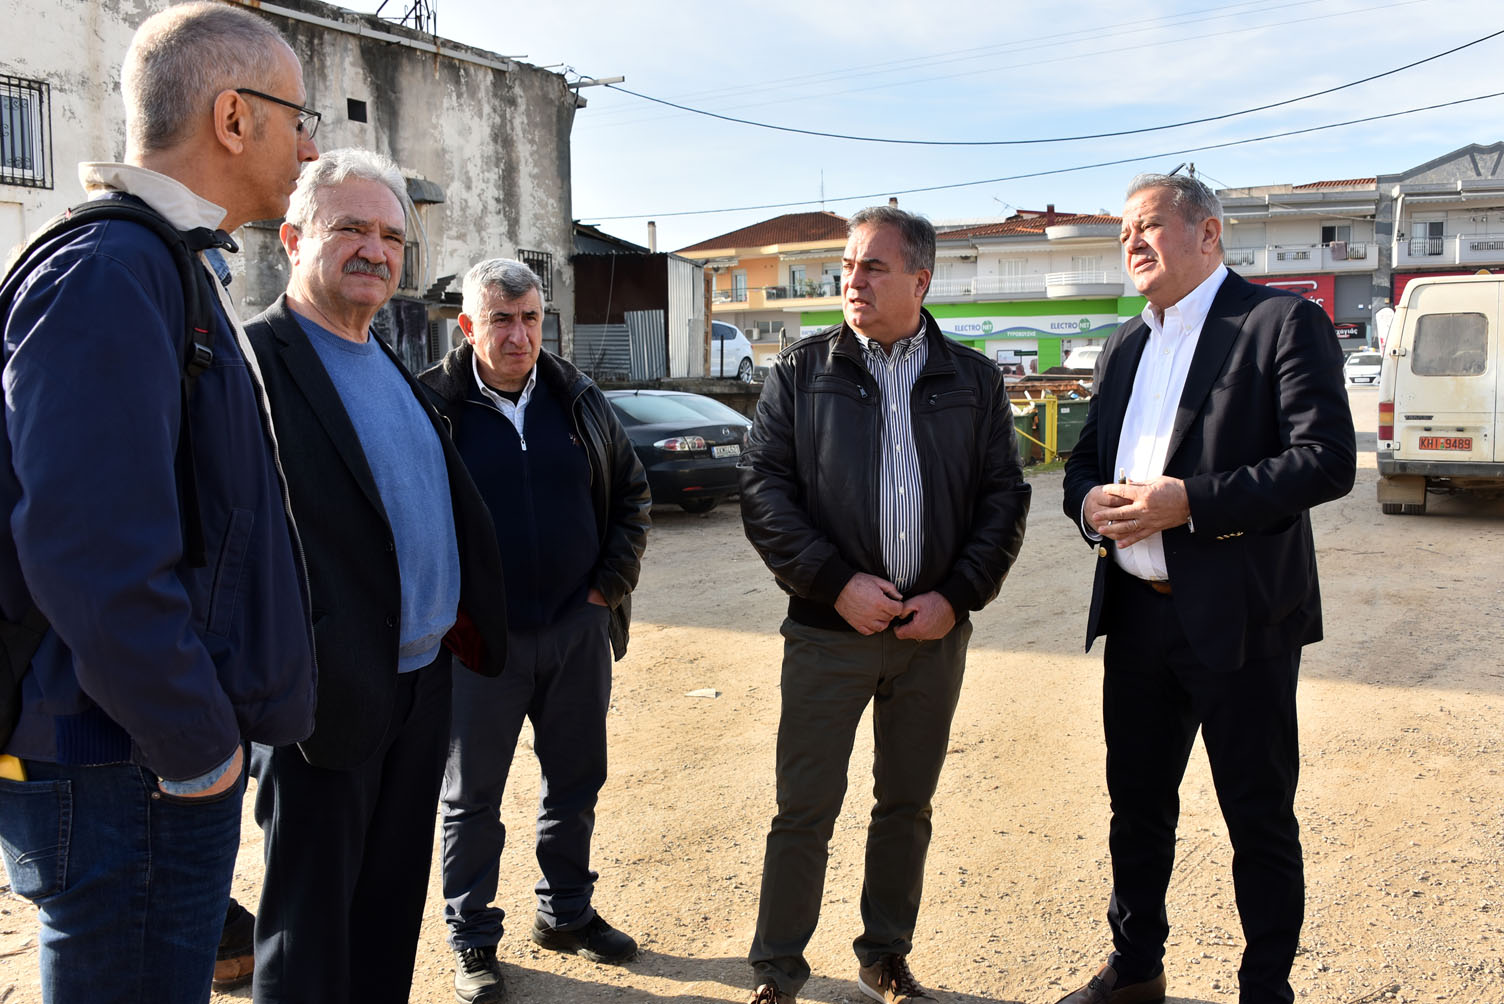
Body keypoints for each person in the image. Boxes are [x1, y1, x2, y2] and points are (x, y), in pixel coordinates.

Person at [0, 4, 319, 1002]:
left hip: (140, 758)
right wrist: (199, 745)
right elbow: (91, 552)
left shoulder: (162, 263)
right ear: (234, 117)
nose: (311, 147)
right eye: (299, 119)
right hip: (124, 765)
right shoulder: (111, 270)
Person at [1056, 172, 1356, 1004]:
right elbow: (1084, 461)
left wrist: (1189, 503)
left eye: (1149, 225)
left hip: (1242, 620)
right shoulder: (1125, 343)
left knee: (1257, 817)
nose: (1132, 242)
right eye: (1124, 232)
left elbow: (1326, 460)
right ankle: (1135, 970)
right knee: (1136, 809)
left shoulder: (1277, 323)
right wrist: (1088, 502)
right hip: (1136, 618)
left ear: (1209, 233)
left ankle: (1265, 990)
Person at [738, 205, 1031, 1004]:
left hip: (931, 637)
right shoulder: (801, 371)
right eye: (848, 266)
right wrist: (835, 583)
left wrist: (956, 597)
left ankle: (885, 955)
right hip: (828, 632)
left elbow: (1003, 498)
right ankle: (777, 971)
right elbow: (763, 490)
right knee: (804, 807)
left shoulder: (972, 380)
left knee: (905, 804)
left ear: (920, 280)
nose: (853, 281)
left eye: (873, 266)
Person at [244, 148, 509, 1004]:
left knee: (389, 916)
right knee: (309, 936)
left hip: (420, 685)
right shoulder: (254, 363)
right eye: (350, 228)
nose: (376, 250)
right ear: (293, 240)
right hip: (322, 697)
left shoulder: (386, 357)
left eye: (392, 236)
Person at [419, 258, 651, 1004]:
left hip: (577, 630)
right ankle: (472, 937)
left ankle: (566, 913)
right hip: (478, 645)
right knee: (471, 798)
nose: (519, 336)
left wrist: (606, 588)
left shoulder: (578, 399)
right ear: (468, 326)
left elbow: (632, 495)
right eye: (501, 320)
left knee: (575, 781)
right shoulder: (431, 408)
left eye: (530, 319)